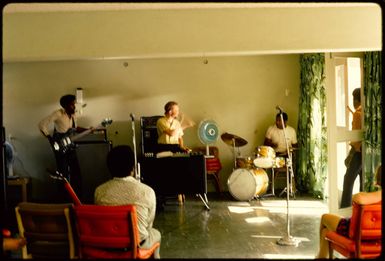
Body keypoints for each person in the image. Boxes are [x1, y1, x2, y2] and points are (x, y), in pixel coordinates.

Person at [94, 145, 161, 258]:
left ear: (109, 167)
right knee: (156, 234)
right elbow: (148, 224)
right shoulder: (147, 191)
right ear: (133, 167)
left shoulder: (99, 191)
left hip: (108, 244)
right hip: (136, 245)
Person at [38, 94, 91, 200]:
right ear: (65, 105)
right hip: (60, 147)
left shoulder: (73, 115)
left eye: (74, 104)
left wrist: (89, 130)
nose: (74, 107)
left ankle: (77, 198)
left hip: (70, 145)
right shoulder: (58, 113)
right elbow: (42, 124)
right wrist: (50, 139)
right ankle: (62, 199)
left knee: (76, 172)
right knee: (63, 174)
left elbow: (75, 128)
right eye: (72, 105)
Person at [316, 186, 381, 258]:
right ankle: (321, 257)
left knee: (324, 217)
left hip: (354, 231)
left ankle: (320, 257)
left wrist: (365, 194)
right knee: (325, 231)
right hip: (375, 236)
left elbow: (357, 198)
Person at [340, 88, 362, 208]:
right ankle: (361, 207)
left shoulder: (358, 114)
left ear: (356, 100)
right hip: (366, 153)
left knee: (348, 180)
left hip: (358, 152)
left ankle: (345, 208)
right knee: (363, 181)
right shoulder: (365, 112)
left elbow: (355, 138)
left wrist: (350, 153)